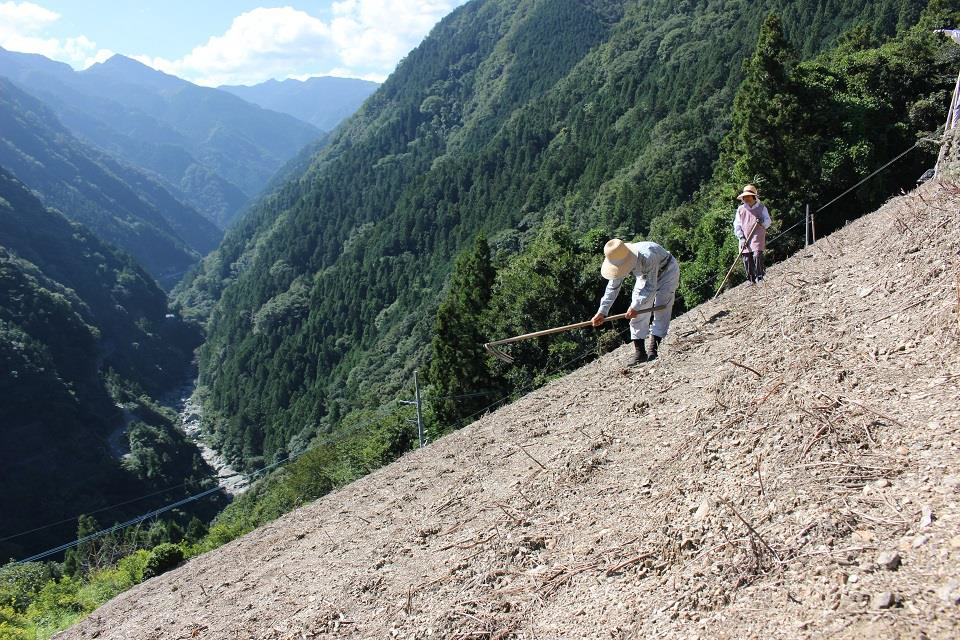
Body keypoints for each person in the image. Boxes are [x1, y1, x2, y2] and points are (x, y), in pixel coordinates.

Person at [591, 239, 679, 367]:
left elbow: (650, 287)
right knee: (637, 314)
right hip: (644, 276)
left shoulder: (647, 256)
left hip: (667, 271)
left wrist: (635, 306)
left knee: (661, 307)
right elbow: (613, 287)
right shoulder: (619, 259)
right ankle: (640, 353)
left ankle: (653, 349)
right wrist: (602, 311)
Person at [733, 184, 771, 283]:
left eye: (748, 196)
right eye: (744, 196)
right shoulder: (740, 209)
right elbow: (737, 225)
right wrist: (741, 237)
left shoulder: (762, 208)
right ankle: (751, 280)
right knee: (746, 258)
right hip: (744, 236)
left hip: (757, 235)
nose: (745, 198)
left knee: (757, 255)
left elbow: (768, 221)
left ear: (753, 196)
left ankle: (760, 277)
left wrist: (762, 221)